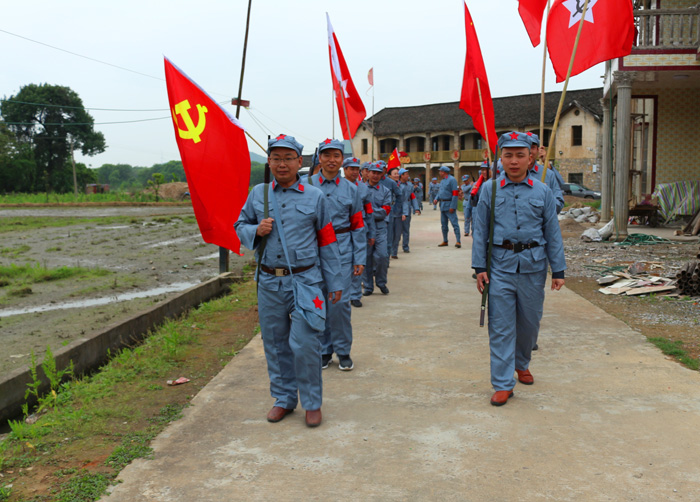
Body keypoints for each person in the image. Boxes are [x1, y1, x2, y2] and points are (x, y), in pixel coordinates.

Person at [235, 134, 343, 427]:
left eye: (288, 158)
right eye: (276, 158)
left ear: (300, 162)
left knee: (306, 343)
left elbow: (327, 241)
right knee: (275, 343)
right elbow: (239, 225)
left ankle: (311, 402)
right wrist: (256, 230)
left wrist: (334, 282)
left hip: (306, 281)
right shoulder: (258, 194)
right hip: (269, 282)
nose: (282, 164)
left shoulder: (315, 196)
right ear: (268, 162)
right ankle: (283, 399)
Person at [471, 131, 566, 407]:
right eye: (508, 155)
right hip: (499, 266)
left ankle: (521, 362)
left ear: (530, 157)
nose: (514, 161)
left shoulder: (543, 191)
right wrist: (479, 266)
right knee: (500, 326)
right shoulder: (490, 189)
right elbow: (480, 230)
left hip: (533, 266)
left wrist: (558, 270)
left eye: (520, 155)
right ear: (501, 158)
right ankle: (502, 383)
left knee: (529, 323)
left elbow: (553, 232)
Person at [308, 139, 366, 372]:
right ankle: (323, 350)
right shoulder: (306, 185)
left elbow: (358, 226)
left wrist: (359, 258)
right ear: (319, 158)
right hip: (312, 253)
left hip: (342, 252)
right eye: (327, 155)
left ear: (342, 160)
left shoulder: (352, 189)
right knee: (318, 303)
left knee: (340, 304)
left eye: (337, 156)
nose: (332, 160)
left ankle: (343, 350)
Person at [343, 157, 375, 309]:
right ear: (345, 170)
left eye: (357, 169)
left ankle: (355, 295)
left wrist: (372, 233)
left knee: (358, 261)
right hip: (342, 229)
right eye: (351, 169)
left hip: (360, 228)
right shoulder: (339, 186)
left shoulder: (363, 188)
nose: (355, 172)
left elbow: (369, 213)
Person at [362, 163, 392, 296]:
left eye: (378, 173)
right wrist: (372, 212)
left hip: (380, 228)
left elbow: (385, 211)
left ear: (382, 175)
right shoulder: (360, 189)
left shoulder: (386, 191)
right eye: (372, 172)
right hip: (364, 229)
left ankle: (381, 282)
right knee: (366, 258)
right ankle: (368, 286)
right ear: (367, 173)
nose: (375, 175)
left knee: (382, 256)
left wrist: (367, 212)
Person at [525, 132, 564, 214]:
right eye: (525, 147)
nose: (529, 151)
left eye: (532, 147)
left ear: (538, 150)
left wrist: (546, 198)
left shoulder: (548, 174)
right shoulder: (511, 174)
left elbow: (559, 204)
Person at [434, 166, 461, 248]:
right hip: (442, 205)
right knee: (444, 225)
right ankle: (445, 240)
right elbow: (440, 192)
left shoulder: (452, 180)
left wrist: (453, 206)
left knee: (454, 223)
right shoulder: (442, 181)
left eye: (440, 171)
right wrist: (436, 199)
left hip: (449, 205)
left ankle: (458, 241)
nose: (439, 173)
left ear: (444, 172)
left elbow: (455, 194)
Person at [398, 169, 420, 253]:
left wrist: (416, 208)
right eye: (406, 174)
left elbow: (412, 197)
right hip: (398, 210)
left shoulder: (409, 185)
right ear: (401, 176)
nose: (407, 176)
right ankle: (394, 248)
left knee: (406, 229)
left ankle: (405, 247)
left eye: (407, 174)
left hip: (407, 210)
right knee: (397, 231)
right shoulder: (397, 185)